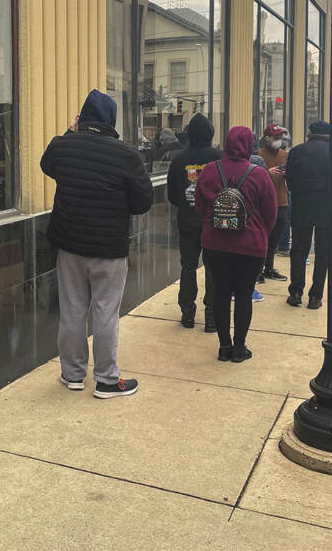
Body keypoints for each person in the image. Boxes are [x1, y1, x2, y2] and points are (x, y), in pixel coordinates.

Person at [41, 89, 153, 398]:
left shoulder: (63, 147)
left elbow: (47, 165)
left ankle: (72, 374)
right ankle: (106, 380)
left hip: (69, 246)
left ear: (82, 118)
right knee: (105, 312)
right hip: (109, 249)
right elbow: (143, 201)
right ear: (111, 120)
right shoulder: (126, 155)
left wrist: (70, 132)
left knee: (73, 310)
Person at [194, 127, 278, 362]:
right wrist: (259, 233)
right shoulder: (259, 174)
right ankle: (239, 348)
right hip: (250, 246)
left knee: (220, 294)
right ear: (250, 145)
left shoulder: (210, 171)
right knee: (243, 296)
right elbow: (271, 214)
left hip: (215, 244)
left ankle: (224, 346)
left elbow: (200, 208)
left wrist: (212, 226)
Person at [168, 114, 222, 332]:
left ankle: (187, 313)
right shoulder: (219, 158)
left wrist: (186, 203)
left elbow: (172, 195)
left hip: (188, 222)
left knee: (188, 267)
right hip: (214, 224)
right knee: (213, 269)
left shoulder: (179, 160)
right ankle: (211, 317)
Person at [284, 121, 331, 309]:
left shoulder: (297, 151)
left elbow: (289, 178)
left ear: (310, 133)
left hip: (302, 204)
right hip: (327, 207)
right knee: (323, 252)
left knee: (299, 250)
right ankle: (316, 296)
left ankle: (296, 292)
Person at [256, 124, 289, 283]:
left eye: (281, 138)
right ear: (267, 138)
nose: (279, 141)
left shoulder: (285, 154)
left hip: (282, 200)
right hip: (264, 203)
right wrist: (266, 173)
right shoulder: (258, 155)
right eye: (276, 137)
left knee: (275, 238)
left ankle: (269, 267)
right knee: (263, 237)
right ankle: (258, 270)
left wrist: (287, 173)